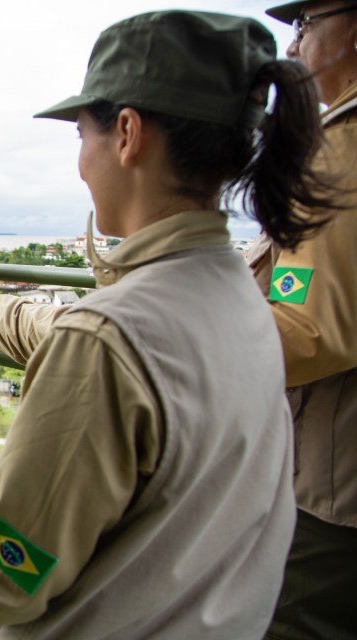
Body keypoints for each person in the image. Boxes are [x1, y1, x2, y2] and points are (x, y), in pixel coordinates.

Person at [0, 11, 334, 639]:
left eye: (80, 135)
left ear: (127, 133)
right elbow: (73, 328)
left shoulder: (108, 341)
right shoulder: (243, 299)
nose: (80, 161)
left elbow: (3, 574)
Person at [256, 3, 357, 639]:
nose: (293, 44)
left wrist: (149, 336)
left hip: (331, 482)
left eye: (307, 22)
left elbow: (307, 332)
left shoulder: (337, 153)